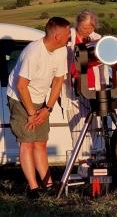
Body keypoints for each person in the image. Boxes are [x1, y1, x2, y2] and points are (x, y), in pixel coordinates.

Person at [7, 17, 71, 198]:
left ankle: (48, 184)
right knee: (27, 142)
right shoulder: (33, 52)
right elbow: (21, 86)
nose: (69, 36)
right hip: (20, 98)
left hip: (40, 99)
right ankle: (33, 188)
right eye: (67, 33)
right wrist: (32, 113)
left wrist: (47, 109)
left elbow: (58, 80)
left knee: (41, 142)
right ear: (57, 36)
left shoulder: (61, 50)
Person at [61, 9, 106, 177]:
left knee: (96, 130)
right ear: (77, 23)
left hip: (94, 89)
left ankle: (97, 168)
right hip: (73, 90)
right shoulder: (68, 38)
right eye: (84, 27)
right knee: (78, 131)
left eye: (90, 27)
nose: (87, 31)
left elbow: (103, 67)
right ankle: (83, 170)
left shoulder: (97, 40)